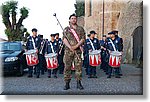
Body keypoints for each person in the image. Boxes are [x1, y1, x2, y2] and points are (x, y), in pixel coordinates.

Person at [63, 14, 85, 90]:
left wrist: (75, 46)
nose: (73, 20)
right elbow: (64, 39)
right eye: (72, 18)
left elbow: (82, 39)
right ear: (69, 20)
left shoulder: (80, 29)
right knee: (67, 67)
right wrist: (70, 47)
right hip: (68, 51)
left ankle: (79, 83)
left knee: (78, 67)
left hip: (78, 51)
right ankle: (67, 83)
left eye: (75, 18)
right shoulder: (66, 29)